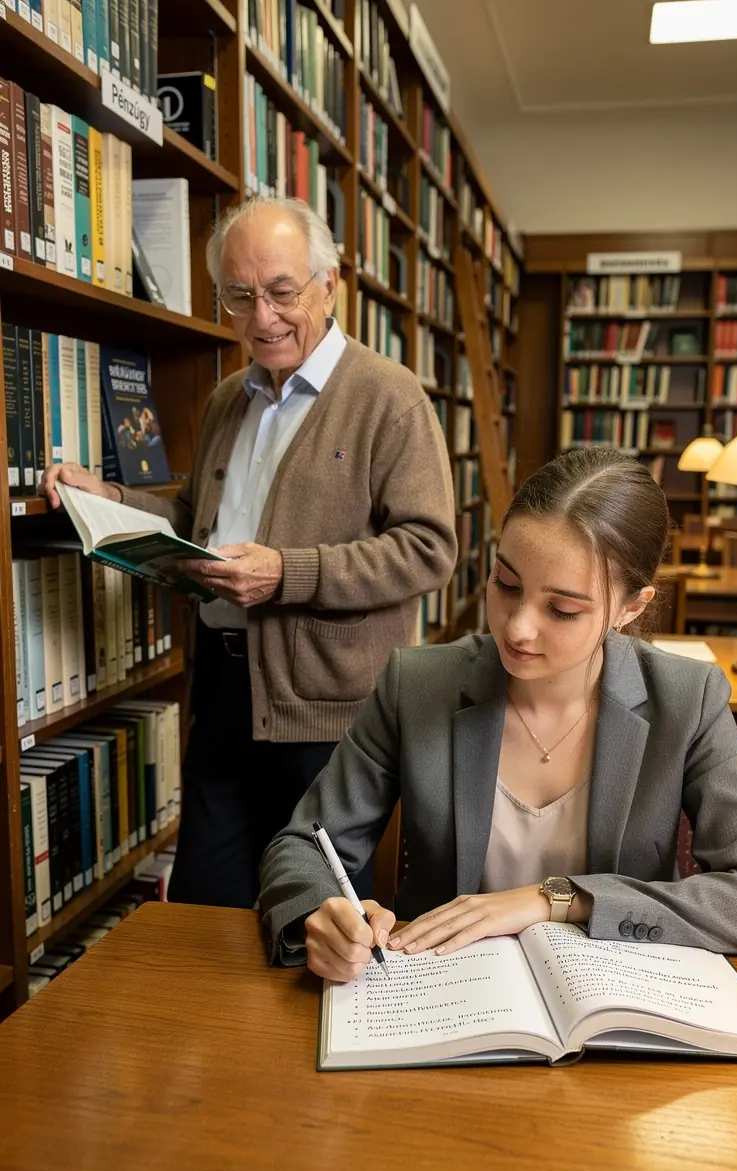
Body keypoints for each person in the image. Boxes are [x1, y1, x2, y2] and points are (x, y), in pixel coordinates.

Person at [40, 196, 458, 909]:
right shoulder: (226, 399)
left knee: (317, 923)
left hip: (328, 714)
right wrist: (105, 497)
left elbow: (428, 549)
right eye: (240, 296)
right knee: (206, 911)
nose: (261, 317)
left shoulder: (391, 398)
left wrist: (286, 574)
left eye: (282, 293)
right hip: (224, 695)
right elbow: (190, 520)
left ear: (330, 284)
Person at [259, 448, 737, 981]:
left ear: (631, 607)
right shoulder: (419, 685)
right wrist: (318, 916)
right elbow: (304, 845)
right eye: (507, 585)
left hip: (610, 1010)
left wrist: (555, 899)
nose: (517, 628)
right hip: (435, 995)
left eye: (562, 609)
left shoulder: (686, 699)